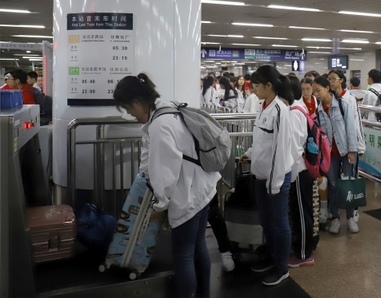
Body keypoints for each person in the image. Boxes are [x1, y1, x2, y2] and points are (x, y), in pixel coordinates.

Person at [113, 73, 219, 298]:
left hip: (187, 193)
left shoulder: (160, 125)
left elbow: (165, 172)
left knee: (183, 254)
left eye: (128, 108)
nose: (129, 114)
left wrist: (159, 206)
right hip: (202, 187)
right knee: (198, 245)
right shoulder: (168, 109)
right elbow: (152, 161)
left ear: (137, 102)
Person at [241, 66, 293, 286]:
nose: (253, 90)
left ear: (269, 85)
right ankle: (272, 257)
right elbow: (261, 141)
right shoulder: (262, 107)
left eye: (256, 85)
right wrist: (250, 154)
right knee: (265, 221)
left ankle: (282, 267)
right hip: (261, 177)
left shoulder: (281, 110)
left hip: (276, 179)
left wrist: (275, 184)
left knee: (279, 223)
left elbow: (281, 150)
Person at [313, 75, 359, 234]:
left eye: (318, 90)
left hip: (345, 151)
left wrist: (352, 151)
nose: (316, 94)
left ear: (327, 88)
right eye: (314, 92)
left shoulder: (343, 105)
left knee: (347, 184)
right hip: (330, 155)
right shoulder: (318, 110)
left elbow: (351, 129)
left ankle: (350, 217)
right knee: (333, 185)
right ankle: (335, 218)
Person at [287, 75, 316, 268]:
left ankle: (304, 254)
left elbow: (296, 147)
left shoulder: (294, 112)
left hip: (299, 171)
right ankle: (302, 247)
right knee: (301, 211)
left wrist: (290, 172)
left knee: (302, 213)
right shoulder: (298, 108)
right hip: (300, 169)